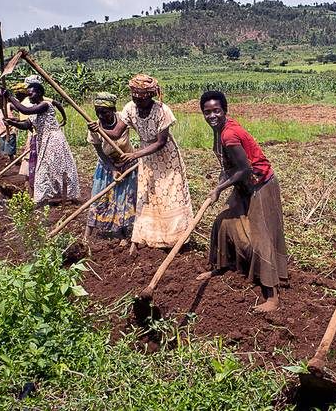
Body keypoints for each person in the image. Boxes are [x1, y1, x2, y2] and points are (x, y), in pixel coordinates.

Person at [196, 91, 288, 313]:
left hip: (260, 185)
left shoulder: (229, 135)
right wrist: (220, 184)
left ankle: (272, 296)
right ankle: (222, 266)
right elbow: (229, 166)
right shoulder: (220, 131)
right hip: (244, 185)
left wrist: (219, 188)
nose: (212, 116)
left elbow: (245, 168)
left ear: (224, 110)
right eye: (207, 112)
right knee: (223, 222)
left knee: (260, 237)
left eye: (216, 111)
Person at [102, 74, 193, 252]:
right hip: (146, 157)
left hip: (167, 158)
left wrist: (136, 154)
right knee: (147, 195)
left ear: (149, 96)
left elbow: (161, 142)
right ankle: (147, 236)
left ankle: (177, 238)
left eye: (140, 99)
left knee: (170, 194)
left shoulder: (162, 111)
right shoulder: (130, 108)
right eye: (134, 97)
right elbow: (116, 133)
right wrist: (99, 127)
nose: (136, 101)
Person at [0, 83, 79, 206]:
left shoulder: (45, 105)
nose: (29, 96)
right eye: (28, 94)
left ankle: (66, 195)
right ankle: (47, 197)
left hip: (54, 140)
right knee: (45, 169)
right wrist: (13, 123)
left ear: (40, 93)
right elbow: (27, 125)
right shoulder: (35, 110)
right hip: (44, 141)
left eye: (31, 94)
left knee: (59, 168)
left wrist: (10, 97)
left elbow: (25, 110)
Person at [84, 92, 138, 241]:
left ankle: (123, 235)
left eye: (105, 112)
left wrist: (138, 154)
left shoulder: (123, 118)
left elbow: (137, 131)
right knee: (98, 197)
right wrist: (113, 168)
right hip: (107, 165)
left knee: (124, 199)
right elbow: (99, 151)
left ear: (113, 109)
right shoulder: (93, 126)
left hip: (128, 163)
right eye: (98, 112)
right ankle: (86, 237)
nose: (101, 116)